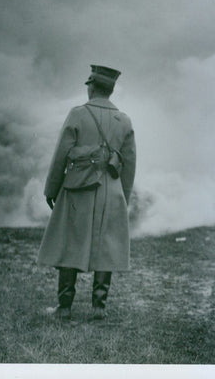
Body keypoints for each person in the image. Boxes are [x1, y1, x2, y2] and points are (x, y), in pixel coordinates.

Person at [37, 64, 136, 321]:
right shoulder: (124, 120)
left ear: (91, 87)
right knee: (107, 246)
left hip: (78, 187)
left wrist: (52, 188)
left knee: (70, 241)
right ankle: (98, 308)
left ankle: (65, 307)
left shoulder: (77, 114)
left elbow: (61, 153)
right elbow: (129, 163)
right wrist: (123, 195)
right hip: (111, 190)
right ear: (111, 90)